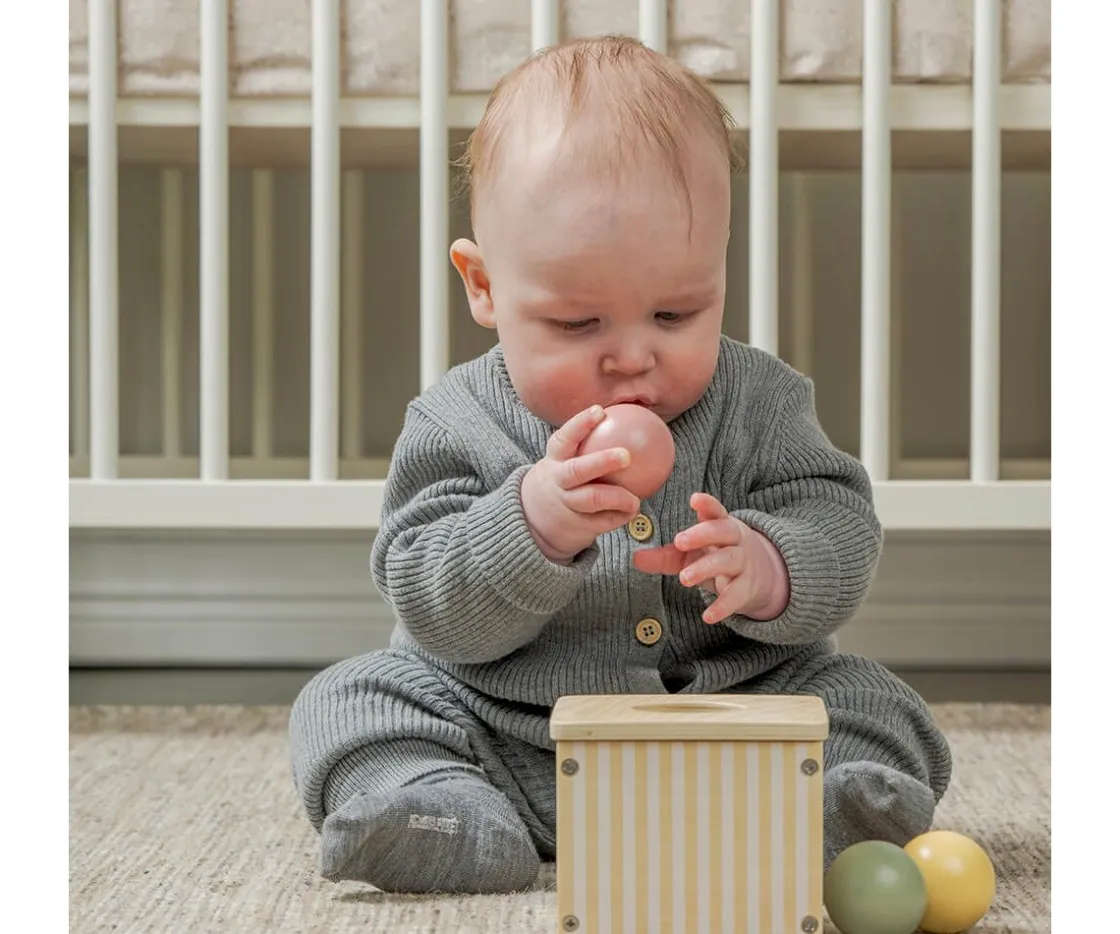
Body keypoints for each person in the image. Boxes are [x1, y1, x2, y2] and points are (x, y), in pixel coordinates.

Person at [289, 34, 952, 895]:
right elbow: (426, 599)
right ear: (483, 286)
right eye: (578, 324)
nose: (631, 357)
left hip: (736, 732)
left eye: (676, 312)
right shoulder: (456, 419)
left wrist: (770, 566)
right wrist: (529, 526)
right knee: (348, 700)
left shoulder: (762, 402)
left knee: (872, 701)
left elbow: (840, 528)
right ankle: (443, 813)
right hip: (512, 741)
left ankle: (814, 815)